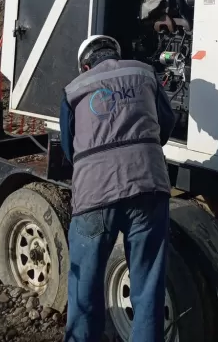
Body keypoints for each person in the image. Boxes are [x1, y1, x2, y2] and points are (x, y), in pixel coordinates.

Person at [60, 35, 175, 342]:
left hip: (94, 197)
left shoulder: (74, 90)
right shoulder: (144, 73)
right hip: (148, 187)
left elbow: (69, 150)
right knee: (148, 288)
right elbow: (167, 121)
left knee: (84, 290)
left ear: (86, 65)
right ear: (116, 54)